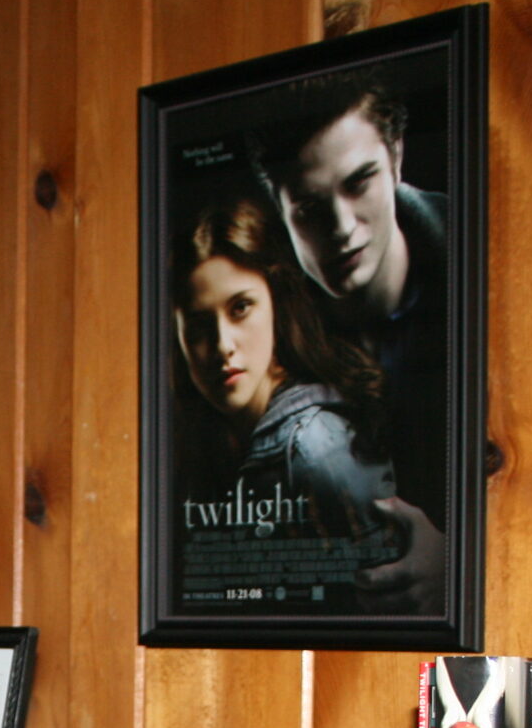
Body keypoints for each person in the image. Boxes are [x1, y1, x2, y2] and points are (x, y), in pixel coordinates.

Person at [253, 68, 449, 612]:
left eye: (359, 182)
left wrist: (461, 573)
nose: (341, 227)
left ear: (397, 158)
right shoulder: (252, 319)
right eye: (310, 210)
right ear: (280, 207)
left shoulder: (496, 268)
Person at [168, 195, 403, 610]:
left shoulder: (318, 445)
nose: (223, 345)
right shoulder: (205, 446)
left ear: (276, 304)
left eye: (241, 308)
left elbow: (391, 602)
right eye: (200, 326)